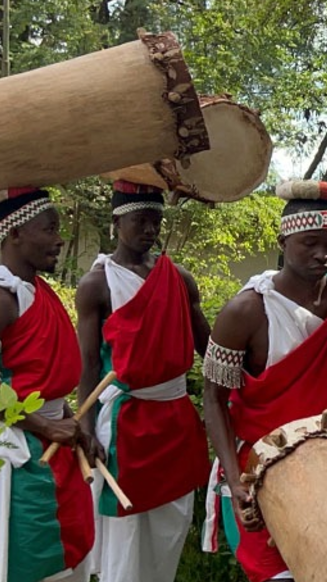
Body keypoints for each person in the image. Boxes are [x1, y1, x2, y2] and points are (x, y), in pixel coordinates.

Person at [201, 180, 327, 582]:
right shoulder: (245, 311)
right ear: (283, 242)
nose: (323, 254)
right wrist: (234, 479)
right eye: (310, 243)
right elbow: (214, 399)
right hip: (260, 465)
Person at [74, 180, 210, 582]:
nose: (150, 230)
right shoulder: (97, 284)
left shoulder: (179, 278)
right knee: (128, 533)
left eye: (155, 221)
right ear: (117, 222)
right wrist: (85, 427)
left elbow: (210, 348)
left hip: (176, 420)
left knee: (171, 526)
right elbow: (88, 364)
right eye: (140, 221)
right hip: (127, 423)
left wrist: (239, 390)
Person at [0, 187, 95, 582]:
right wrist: (46, 426)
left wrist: (70, 421)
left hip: (53, 442)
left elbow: (43, 380)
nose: (59, 239)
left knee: (66, 556)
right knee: (28, 560)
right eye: (49, 229)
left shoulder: (37, 290)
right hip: (18, 453)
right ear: (15, 233)